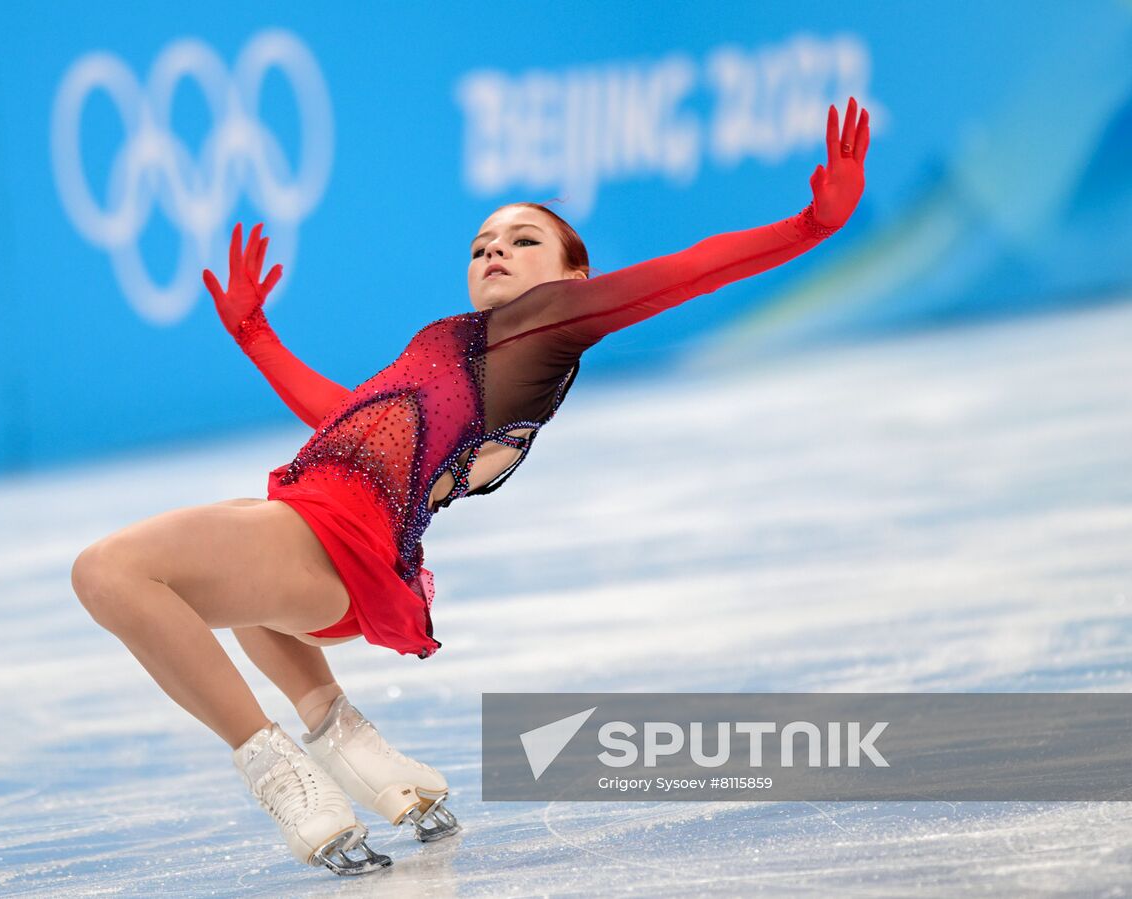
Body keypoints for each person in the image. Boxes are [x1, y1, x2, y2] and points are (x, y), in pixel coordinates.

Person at [71, 99, 872, 876]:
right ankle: (351, 742)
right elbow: (344, 422)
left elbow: (683, 272)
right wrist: (257, 338)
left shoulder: (549, 323)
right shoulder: (455, 339)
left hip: (335, 545)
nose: (495, 250)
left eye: (524, 240)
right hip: (334, 549)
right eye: (482, 241)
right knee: (237, 536)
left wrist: (811, 227)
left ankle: (280, 774)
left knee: (110, 570)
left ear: (574, 275)